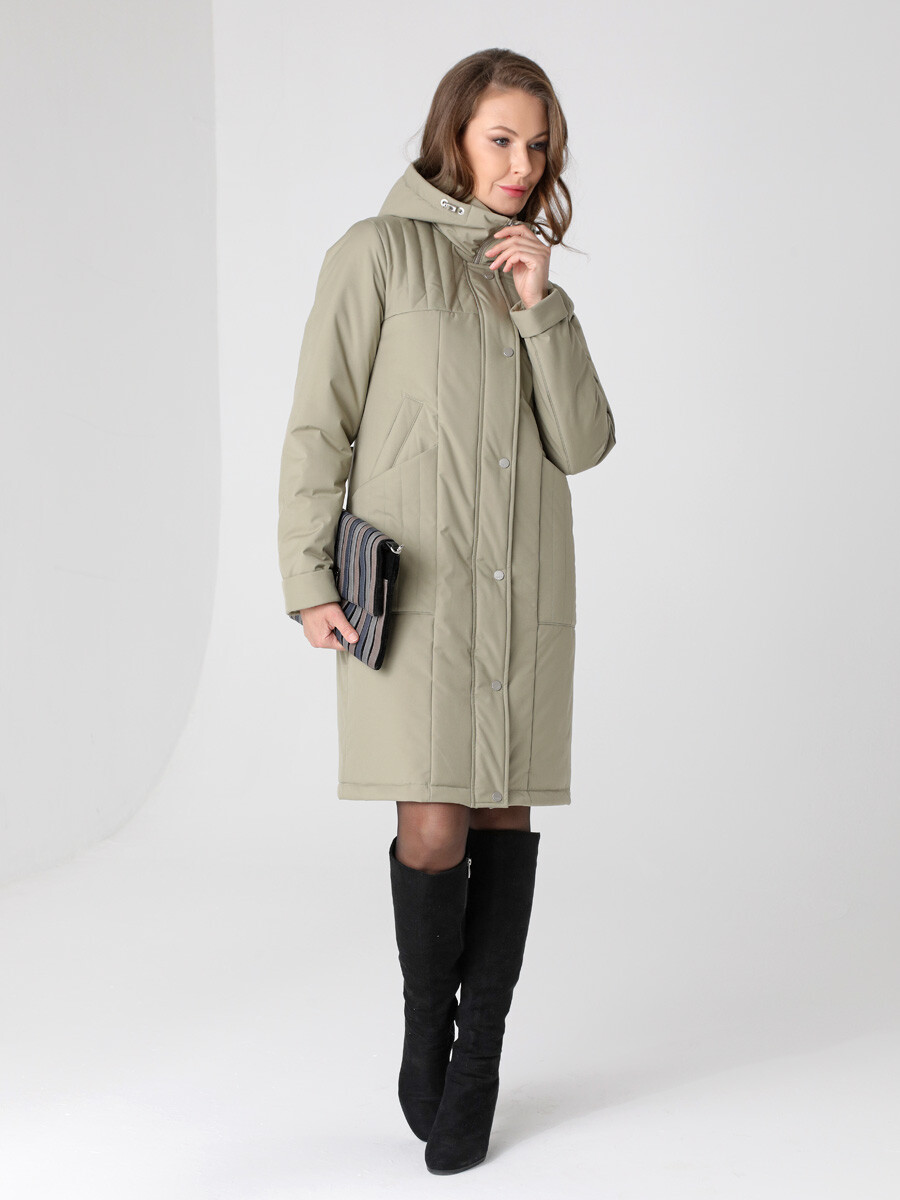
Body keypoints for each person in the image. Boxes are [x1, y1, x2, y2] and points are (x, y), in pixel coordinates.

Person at [277, 48, 616, 1174]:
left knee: (506, 821)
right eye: (500, 139)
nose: (521, 165)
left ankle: (479, 1067)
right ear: (454, 136)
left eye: (538, 145)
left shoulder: (532, 281)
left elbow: (585, 444)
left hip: (523, 591)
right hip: (417, 595)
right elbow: (319, 424)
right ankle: (430, 1030)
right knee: (433, 827)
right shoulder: (376, 253)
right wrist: (309, 580)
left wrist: (541, 306)